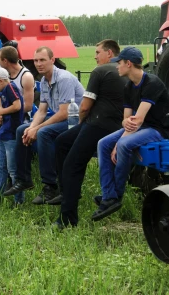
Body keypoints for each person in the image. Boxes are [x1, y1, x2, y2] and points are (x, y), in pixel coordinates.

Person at [92, 47, 169, 221]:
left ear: (128, 64)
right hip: (140, 127)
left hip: (158, 130)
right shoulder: (129, 86)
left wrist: (119, 142)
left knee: (122, 145)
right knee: (102, 144)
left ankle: (116, 195)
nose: (117, 67)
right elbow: (126, 120)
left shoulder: (152, 83)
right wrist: (123, 129)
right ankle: (108, 194)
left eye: (119, 63)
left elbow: (137, 121)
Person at [51, 40, 125, 228]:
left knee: (72, 165)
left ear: (109, 53)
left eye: (97, 52)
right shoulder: (124, 70)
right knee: (62, 142)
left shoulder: (100, 71)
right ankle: (68, 190)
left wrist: (80, 123)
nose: (95, 56)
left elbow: (84, 107)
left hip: (98, 124)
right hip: (117, 125)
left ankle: (67, 219)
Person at [4, 46, 84, 204]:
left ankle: (50, 185)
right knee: (22, 129)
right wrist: (31, 127)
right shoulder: (44, 82)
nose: (38, 64)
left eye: (42, 60)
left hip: (77, 120)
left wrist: (37, 129)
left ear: (52, 60)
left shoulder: (64, 79)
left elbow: (64, 112)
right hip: (62, 118)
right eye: (35, 60)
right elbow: (41, 110)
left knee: (43, 133)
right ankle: (24, 179)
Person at [0, 67, 26, 205]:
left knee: (13, 169)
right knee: (0, 166)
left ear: (1, 81)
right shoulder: (3, 89)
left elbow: (17, 106)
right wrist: (0, 113)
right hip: (4, 133)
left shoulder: (10, 88)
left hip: (12, 134)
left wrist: (2, 111)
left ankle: (19, 200)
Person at [0, 46, 35, 116]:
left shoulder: (26, 77)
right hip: (6, 113)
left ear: (5, 61)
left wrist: (4, 113)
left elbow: (28, 106)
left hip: (20, 116)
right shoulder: (5, 74)